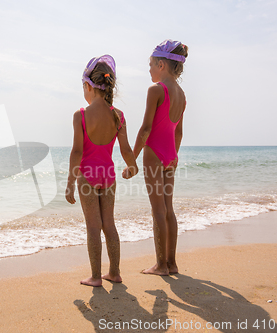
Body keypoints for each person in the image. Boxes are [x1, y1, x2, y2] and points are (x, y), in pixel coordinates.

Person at [65, 55, 138, 287]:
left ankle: (96, 277)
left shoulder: (81, 116)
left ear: (88, 86)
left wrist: (69, 183)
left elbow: (77, 152)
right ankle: (114, 273)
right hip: (108, 177)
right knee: (109, 225)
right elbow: (126, 149)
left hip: (86, 177)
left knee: (93, 227)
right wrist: (133, 166)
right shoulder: (118, 116)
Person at [125, 40, 188, 276]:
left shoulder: (156, 90)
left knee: (158, 211)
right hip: (171, 154)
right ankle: (172, 263)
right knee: (168, 209)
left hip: (153, 153)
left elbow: (145, 130)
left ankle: (160, 265)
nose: (149, 69)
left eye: (151, 64)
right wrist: (173, 155)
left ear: (161, 64)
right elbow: (179, 132)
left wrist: (131, 161)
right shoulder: (181, 95)